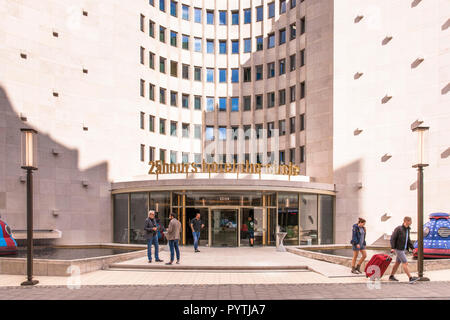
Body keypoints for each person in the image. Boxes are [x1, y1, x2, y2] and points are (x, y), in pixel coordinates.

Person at [389, 216, 419, 283]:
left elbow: (408, 240)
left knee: (397, 263)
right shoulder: (398, 229)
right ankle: (410, 278)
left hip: (403, 249)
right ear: (406, 221)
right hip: (398, 249)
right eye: (410, 221)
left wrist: (413, 248)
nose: (411, 222)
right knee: (405, 262)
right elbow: (393, 238)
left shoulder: (407, 229)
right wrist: (392, 248)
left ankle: (391, 276)